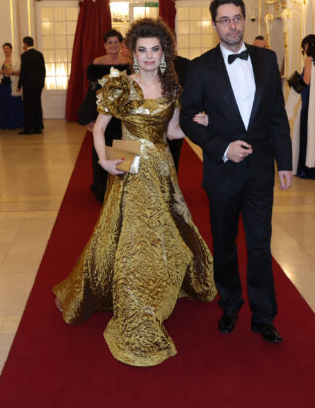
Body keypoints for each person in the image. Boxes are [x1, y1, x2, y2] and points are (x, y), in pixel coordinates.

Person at [53, 18, 214, 367]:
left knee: (162, 229)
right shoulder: (119, 85)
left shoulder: (173, 88)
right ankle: (136, 298)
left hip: (161, 165)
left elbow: (171, 132)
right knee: (130, 232)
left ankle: (157, 282)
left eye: (156, 49)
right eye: (143, 50)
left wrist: (194, 123)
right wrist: (103, 160)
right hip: (128, 158)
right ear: (132, 53)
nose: (150, 56)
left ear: (164, 52)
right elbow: (99, 129)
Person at [180, 0, 292, 344]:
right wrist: (223, 148)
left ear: (245, 19)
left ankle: (264, 316)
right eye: (225, 20)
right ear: (214, 25)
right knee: (225, 244)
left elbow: (276, 115)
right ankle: (229, 304)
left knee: (260, 245)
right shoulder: (201, 67)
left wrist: (285, 162)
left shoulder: (267, 59)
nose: (232, 25)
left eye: (237, 18)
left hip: (260, 170)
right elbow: (188, 119)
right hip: (222, 172)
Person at [77, 29, 130, 202]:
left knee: (122, 148)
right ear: (105, 45)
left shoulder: (129, 63)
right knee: (101, 149)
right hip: (103, 113)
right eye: (110, 43)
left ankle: (121, 188)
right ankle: (101, 187)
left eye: (116, 42)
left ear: (121, 44)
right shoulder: (98, 62)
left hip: (122, 115)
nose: (113, 45)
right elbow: (93, 92)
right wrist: (91, 118)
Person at [285, 34, 315, 179]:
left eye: (304, 46)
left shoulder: (309, 59)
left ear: (307, 45)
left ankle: (305, 169)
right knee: (313, 131)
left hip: (309, 99)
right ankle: (313, 167)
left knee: (305, 131)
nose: (304, 49)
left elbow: (306, 81)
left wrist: (292, 82)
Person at [17, 36, 46, 135]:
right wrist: (41, 83)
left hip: (28, 85)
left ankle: (28, 128)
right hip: (38, 85)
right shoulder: (39, 55)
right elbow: (43, 70)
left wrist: (19, 85)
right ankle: (38, 128)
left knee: (28, 107)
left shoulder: (24, 56)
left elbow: (23, 72)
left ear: (25, 44)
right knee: (37, 105)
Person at [0, 43, 24, 130]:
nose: (6, 50)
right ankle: (5, 124)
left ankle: (15, 124)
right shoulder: (0, 59)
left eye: (7, 48)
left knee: (14, 104)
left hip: (13, 84)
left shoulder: (17, 59)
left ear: (11, 49)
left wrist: (11, 72)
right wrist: (0, 72)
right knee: (4, 104)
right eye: (4, 48)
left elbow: (20, 72)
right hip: (4, 84)